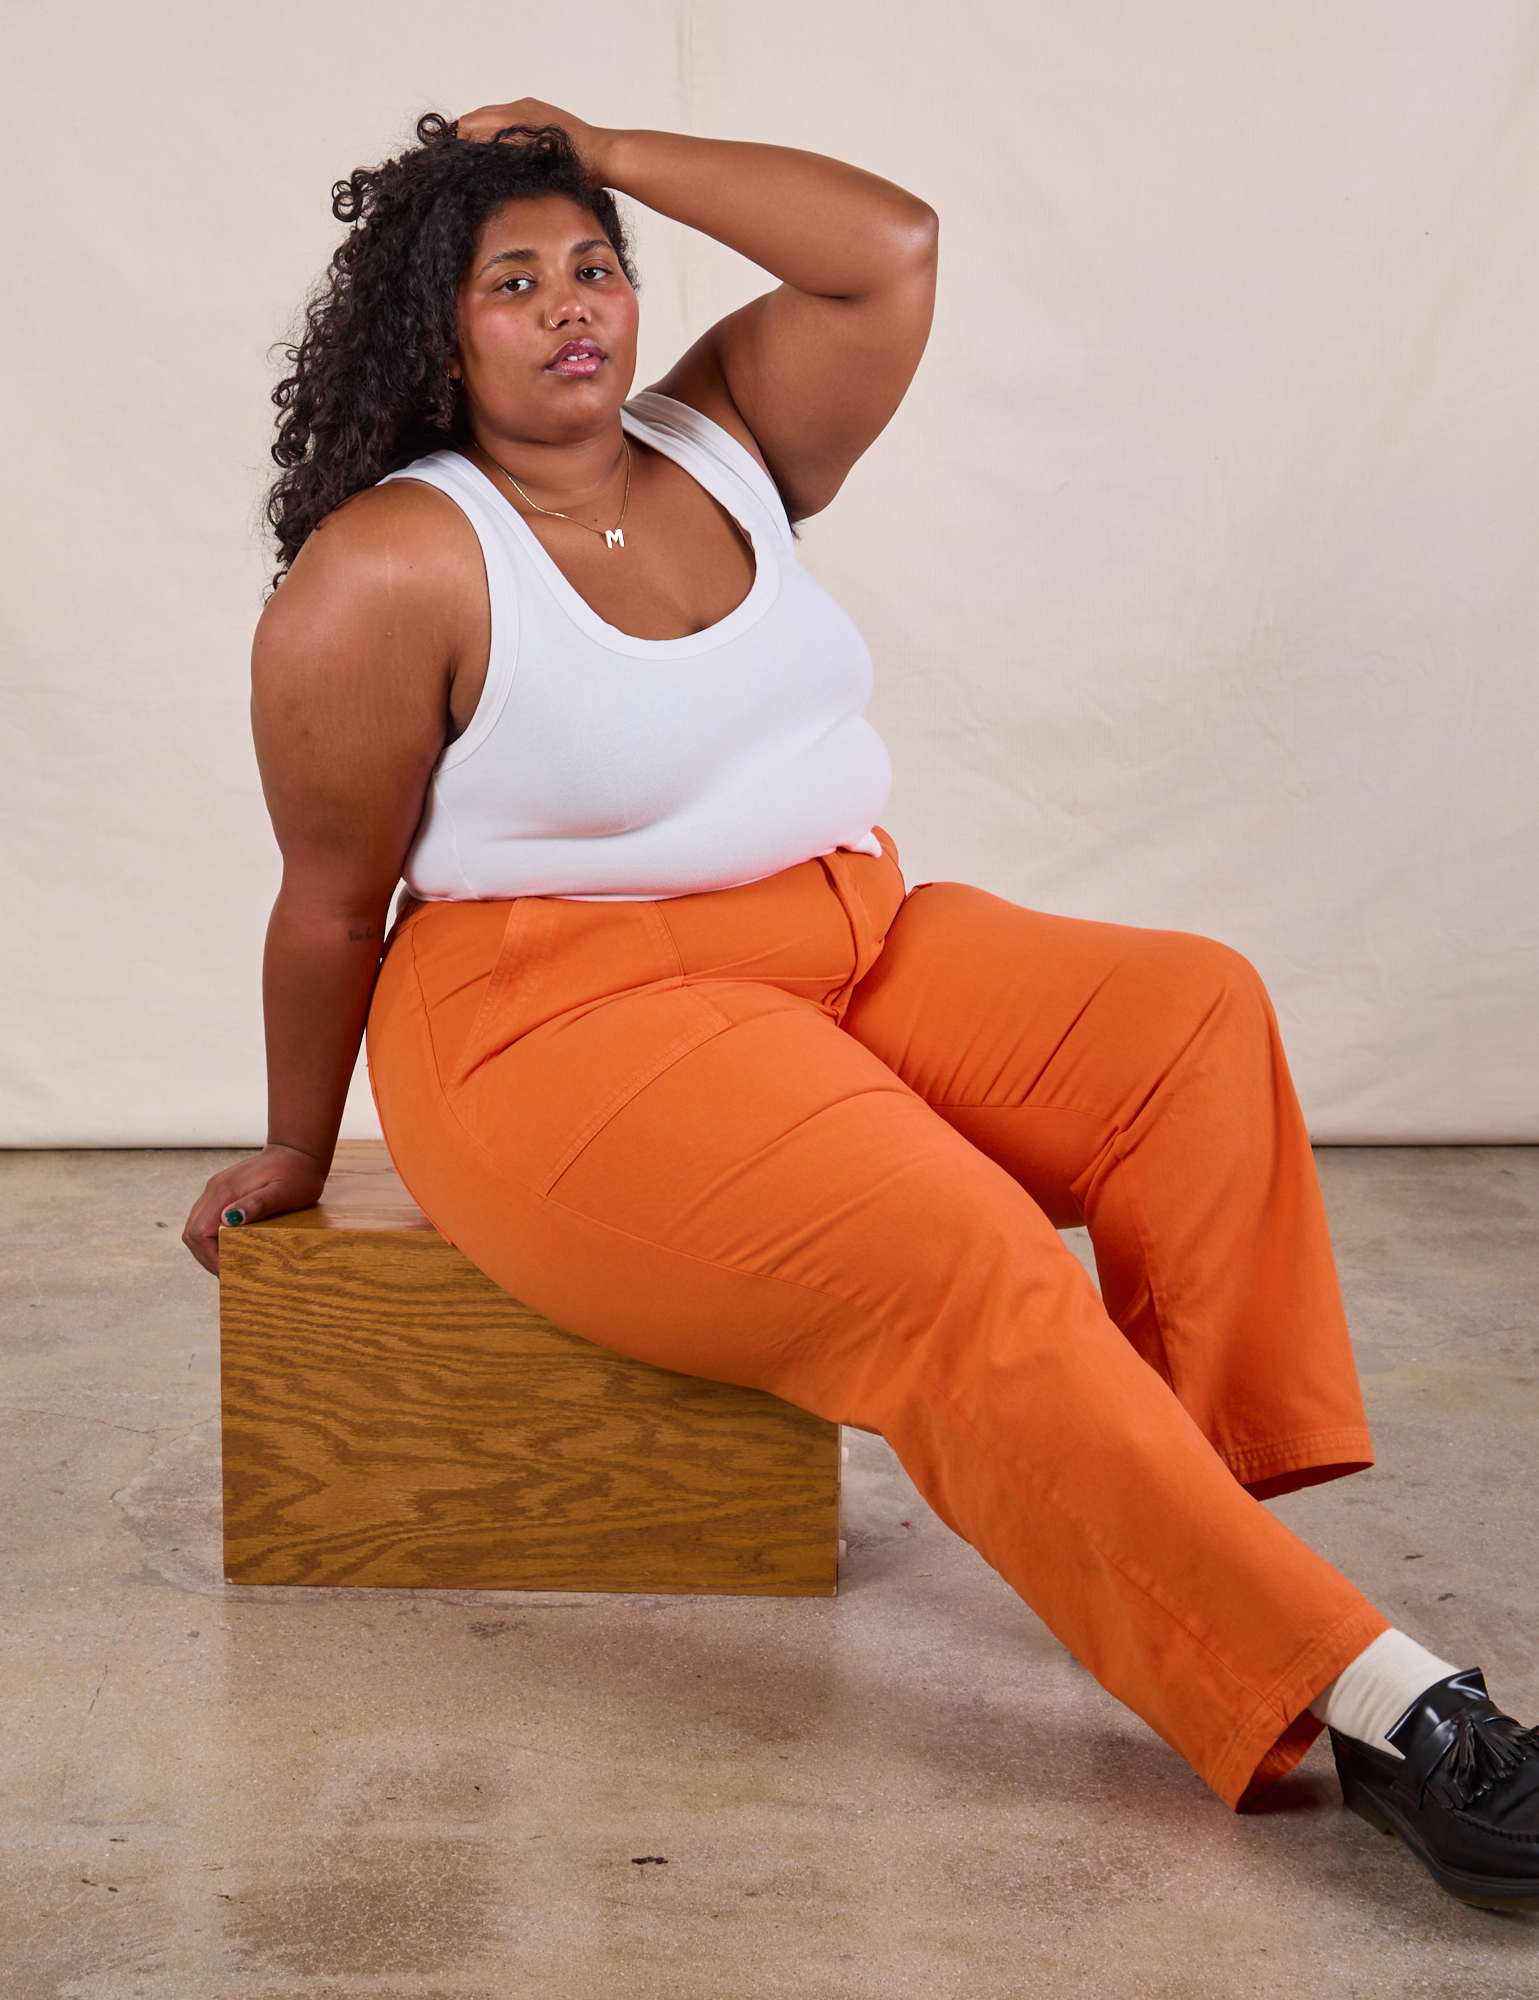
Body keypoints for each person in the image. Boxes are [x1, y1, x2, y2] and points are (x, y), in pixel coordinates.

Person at [182, 101, 1538, 1911]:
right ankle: (1387, 1711)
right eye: (513, 285)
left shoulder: (726, 440)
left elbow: (883, 248)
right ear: (434, 332)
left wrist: (602, 146)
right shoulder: (392, 569)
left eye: (597, 268)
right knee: (963, 1263)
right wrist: (294, 1141)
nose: (574, 307)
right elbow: (333, 903)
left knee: (1189, 1018)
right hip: (556, 1024)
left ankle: (1167, 1549)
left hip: (844, 934)